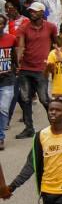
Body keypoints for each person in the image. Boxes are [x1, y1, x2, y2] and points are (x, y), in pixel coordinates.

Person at [15, 1, 59, 139]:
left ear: (42, 12)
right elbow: (21, 46)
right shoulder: (24, 28)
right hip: (26, 68)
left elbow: (56, 43)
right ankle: (29, 128)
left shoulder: (51, 27)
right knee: (26, 98)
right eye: (31, 11)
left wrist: (56, 60)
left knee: (44, 99)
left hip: (42, 68)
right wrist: (17, 62)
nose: (32, 13)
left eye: (35, 11)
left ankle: (55, 125)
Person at [0, 15, 16, 150]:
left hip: (6, 79)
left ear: (4, 25)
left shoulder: (11, 38)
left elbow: (14, 54)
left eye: (1, 24)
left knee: (4, 109)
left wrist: (16, 66)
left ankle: (0, 138)